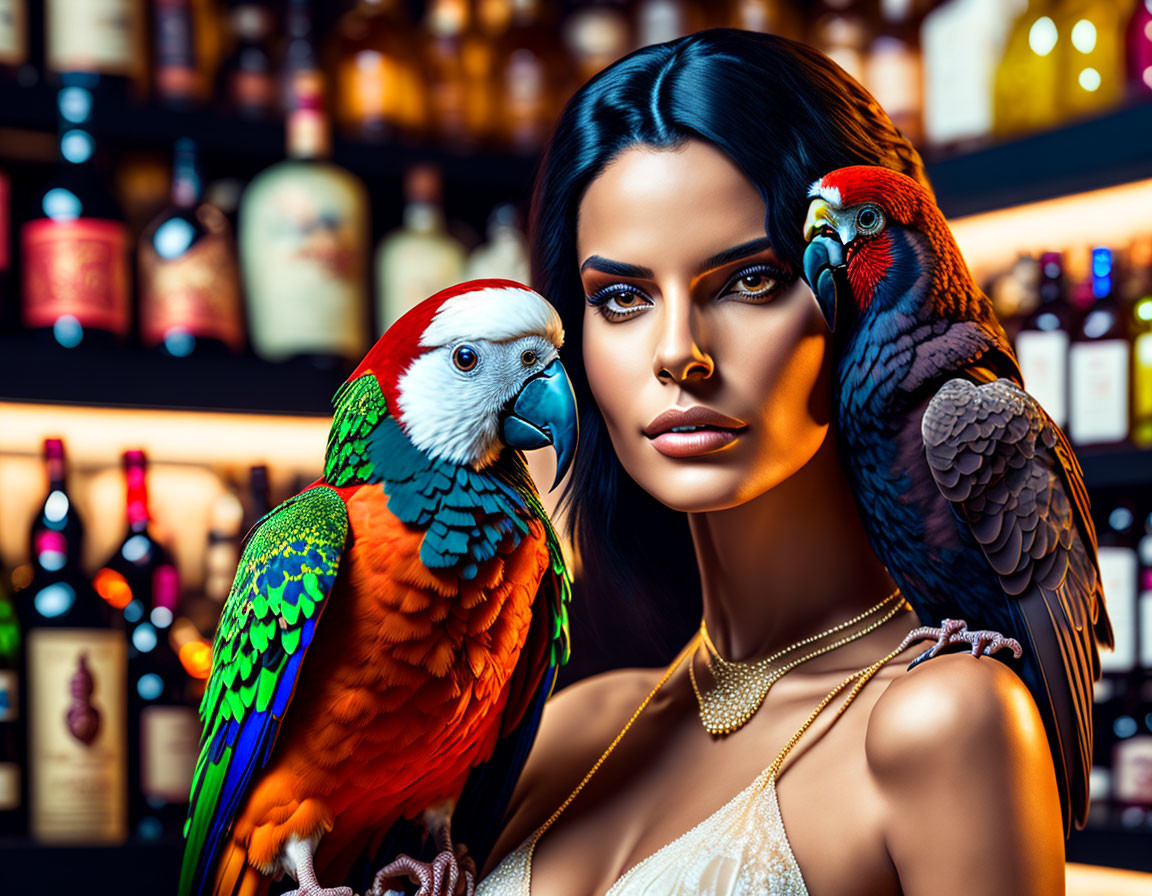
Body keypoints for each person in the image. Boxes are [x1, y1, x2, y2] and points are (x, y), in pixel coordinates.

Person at [476, 29, 1065, 896]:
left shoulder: (944, 721)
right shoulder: (570, 732)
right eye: (623, 298)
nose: (679, 352)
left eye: (750, 281)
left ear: (867, 290)